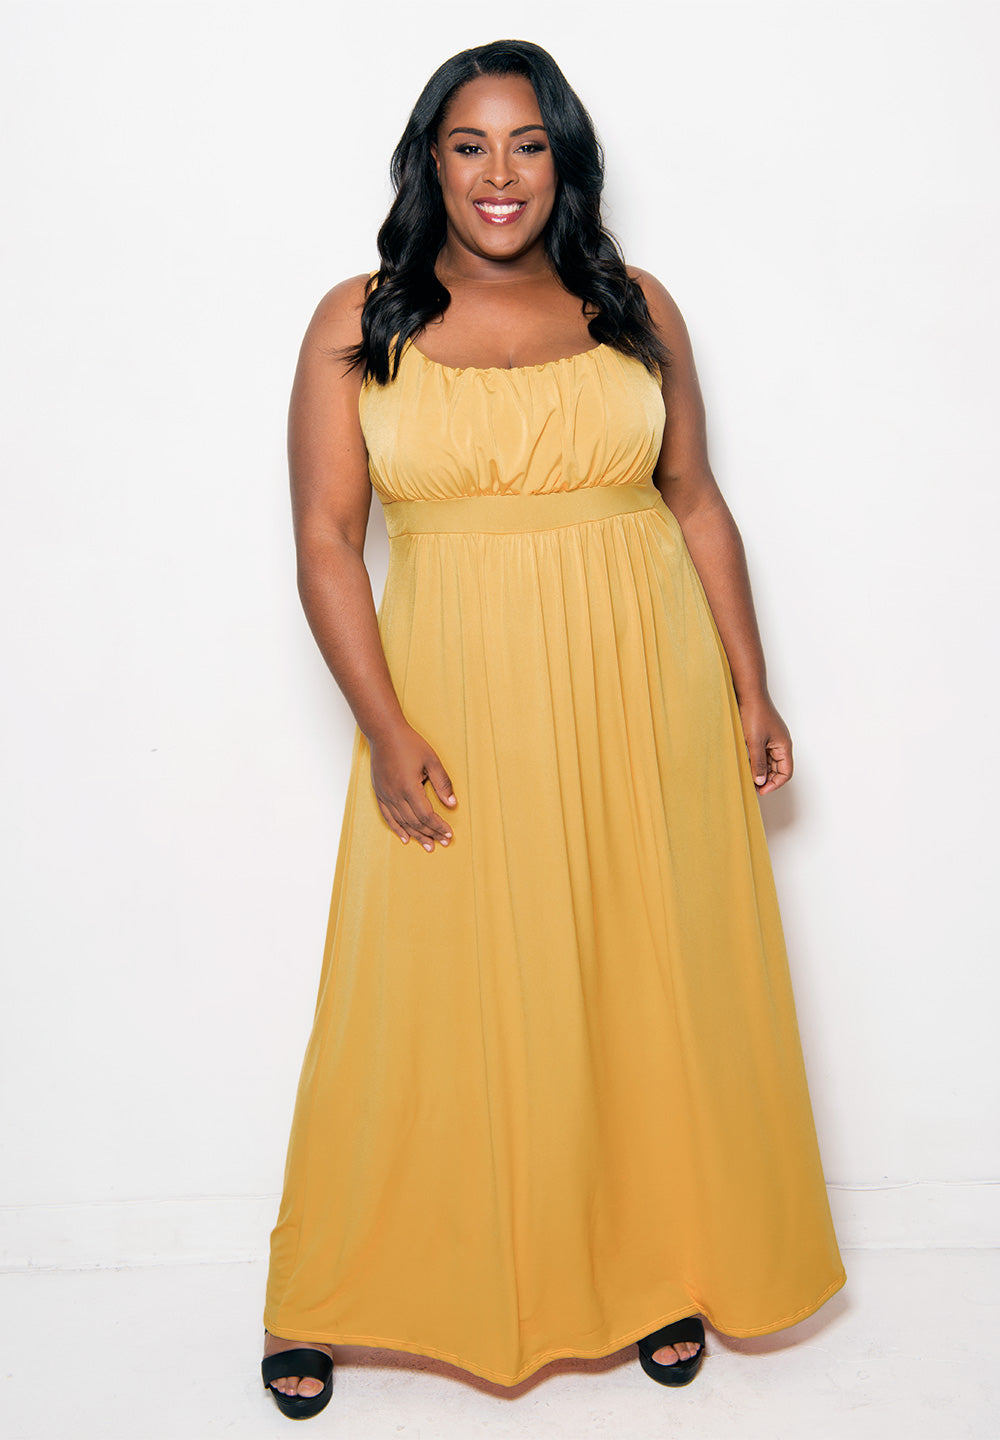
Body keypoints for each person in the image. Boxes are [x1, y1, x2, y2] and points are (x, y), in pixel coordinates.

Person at [260, 38, 846, 1420]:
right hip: (458, 698)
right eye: (470, 144)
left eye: (528, 143)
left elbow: (694, 499)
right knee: (424, 995)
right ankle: (327, 1294)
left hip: (647, 689)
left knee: (639, 979)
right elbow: (326, 540)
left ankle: (655, 1270)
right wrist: (384, 726)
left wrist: (751, 686)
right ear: (431, 160)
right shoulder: (362, 316)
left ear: (564, 158)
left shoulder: (634, 303)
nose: (500, 174)